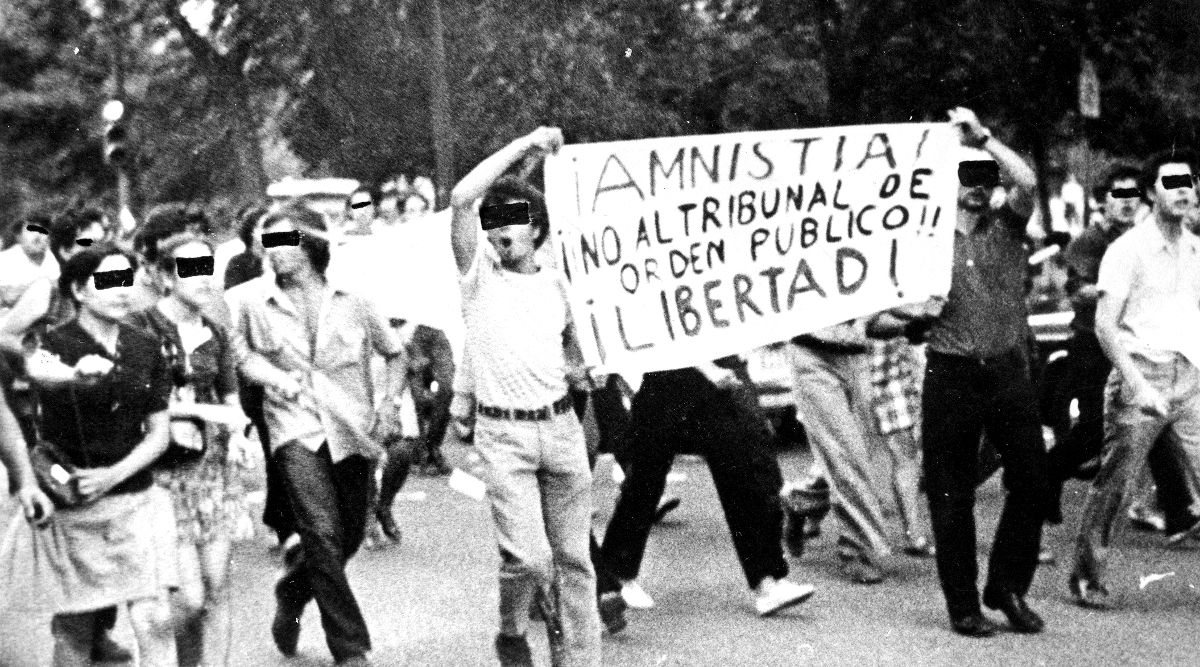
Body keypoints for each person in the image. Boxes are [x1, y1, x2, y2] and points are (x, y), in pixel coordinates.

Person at [449, 127, 601, 666]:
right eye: (491, 224)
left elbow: (578, 357)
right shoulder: (478, 279)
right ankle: (512, 630)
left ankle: (578, 660)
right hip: (503, 435)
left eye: (509, 220)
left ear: (536, 229)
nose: (495, 231)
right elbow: (463, 198)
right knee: (531, 560)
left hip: (561, 430)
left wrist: (589, 370)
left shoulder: (561, 284)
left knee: (574, 560)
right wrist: (528, 146)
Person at [231, 204, 405, 667]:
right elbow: (241, 355)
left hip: (352, 428)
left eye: (282, 240)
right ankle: (350, 648)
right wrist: (272, 377)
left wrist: (388, 406)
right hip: (294, 427)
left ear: (310, 243)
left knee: (346, 537)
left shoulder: (356, 298)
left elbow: (395, 354)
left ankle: (291, 593)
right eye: (266, 242)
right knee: (321, 532)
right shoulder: (250, 301)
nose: (271, 252)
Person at [5, 243, 177, 666]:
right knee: (75, 632)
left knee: (154, 619)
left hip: (134, 498)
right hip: (74, 507)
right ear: (80, 292)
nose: (122, 291)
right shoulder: (52, 342)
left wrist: (113, 475)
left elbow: (158, 434)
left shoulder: (145, 347)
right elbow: (38, 369)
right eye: (108, 281)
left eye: (127, 280)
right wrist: (75, 374)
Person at [920, 107, 1048, 637]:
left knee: (1034, 480)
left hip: (1006, 371)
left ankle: (1007, 586)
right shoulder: (921, 244)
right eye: (965, 176)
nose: (976, 187)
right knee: (952, 493)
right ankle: (963, 604)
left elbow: (1028, 181)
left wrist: (986, 140)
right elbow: (881, 319)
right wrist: (913, 315)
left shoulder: (1007, 229)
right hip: (950, 373)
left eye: (984, 178)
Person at [1069, 148, 1200, 608]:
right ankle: (1087, 578)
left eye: (1189, 182)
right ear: (1150, 193)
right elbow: (1105, 324)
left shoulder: (1195, 246)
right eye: (1172, 183)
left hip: (1191, 376)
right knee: (1116, 483)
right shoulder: (1127, 251)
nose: (1183, 190)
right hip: (1139, 373)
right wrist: (1137, 384)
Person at [600, 359, 816, 616]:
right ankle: (616, 576)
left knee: (742, 468)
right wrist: (707, 368)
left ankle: (767, 581)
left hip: (709, 369)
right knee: (647, 475)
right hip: (677, 369)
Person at [129, 234, 247, 666]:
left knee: (216, 588)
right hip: (162, 473)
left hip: (213, 472)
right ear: (163, 277)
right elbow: (140, 401)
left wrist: (239, 439)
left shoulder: (215, 332)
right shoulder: (140, 328)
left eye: (207, 268)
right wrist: (207, 412)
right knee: (188, 598)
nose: (202, 279)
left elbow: (232, 402)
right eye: (190, 269)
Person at [786, 320, 893, 583]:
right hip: (811, 352)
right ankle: (854, 550)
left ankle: (801, 500)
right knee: (845, 452)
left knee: (859, 451)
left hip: (858, 355)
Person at [0, 213, 59, 317]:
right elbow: (8, 297)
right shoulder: (5, 260)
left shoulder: (50, 259)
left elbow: (56, 292)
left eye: (43, 231)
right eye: (31, 230)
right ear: (18, 236)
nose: (38, 236)